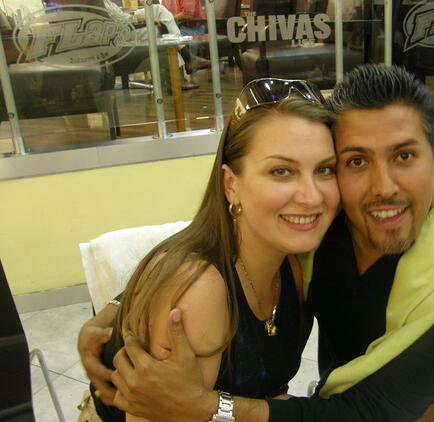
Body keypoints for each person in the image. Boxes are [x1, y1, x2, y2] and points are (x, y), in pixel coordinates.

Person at [79, 65, 434, 422]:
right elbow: (209, 248)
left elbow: (372, 412)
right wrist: (121, 307)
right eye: (356, 161)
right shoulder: (322, 222)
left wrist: (211, 408)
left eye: (404, 156)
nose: (383, 188)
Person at [80, 78, 340, 422]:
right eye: (281, 171)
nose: (312, 196)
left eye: (324, 170)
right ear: (231, 185)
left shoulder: (295, 262)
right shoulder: (200, 289)